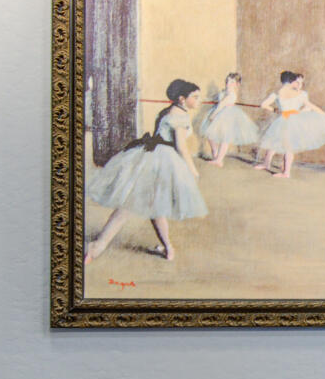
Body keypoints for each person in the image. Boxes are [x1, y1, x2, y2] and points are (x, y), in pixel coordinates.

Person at [84, 78, 207, 263]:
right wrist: (193, 171)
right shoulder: (180, 116)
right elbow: (181, 148)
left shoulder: (169, 111)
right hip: (160, 160)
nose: (199, 100)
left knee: (148, 205)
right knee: (139, 205)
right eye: (195, 97)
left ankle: (166, 248)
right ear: (182, 99)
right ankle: (98, 247)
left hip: (151, 155)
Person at [254, 70, 325, 178]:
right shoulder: (296, 94)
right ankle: (269, 165)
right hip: (290, 120)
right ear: (292, 82)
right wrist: (324, 114)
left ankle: (285, 172)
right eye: (297, 82)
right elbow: (311, 106)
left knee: (284, 145)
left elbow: (264, 104)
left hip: (289, 120)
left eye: (301, 83)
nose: (298, 84)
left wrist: (276, 110)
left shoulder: (280, 93)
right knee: (279, 143)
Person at [197, 70, 261, 163]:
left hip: (227, 115)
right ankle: (215, 153)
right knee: (209, 133)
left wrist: (213, 114)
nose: (228, 83)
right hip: (219, 112)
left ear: (237, 84)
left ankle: (219, 159)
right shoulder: (224, 91)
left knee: (225, 137)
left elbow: (221, 104)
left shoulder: (231, 94)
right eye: (227, 81)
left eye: (232, 82)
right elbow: (216, 99)